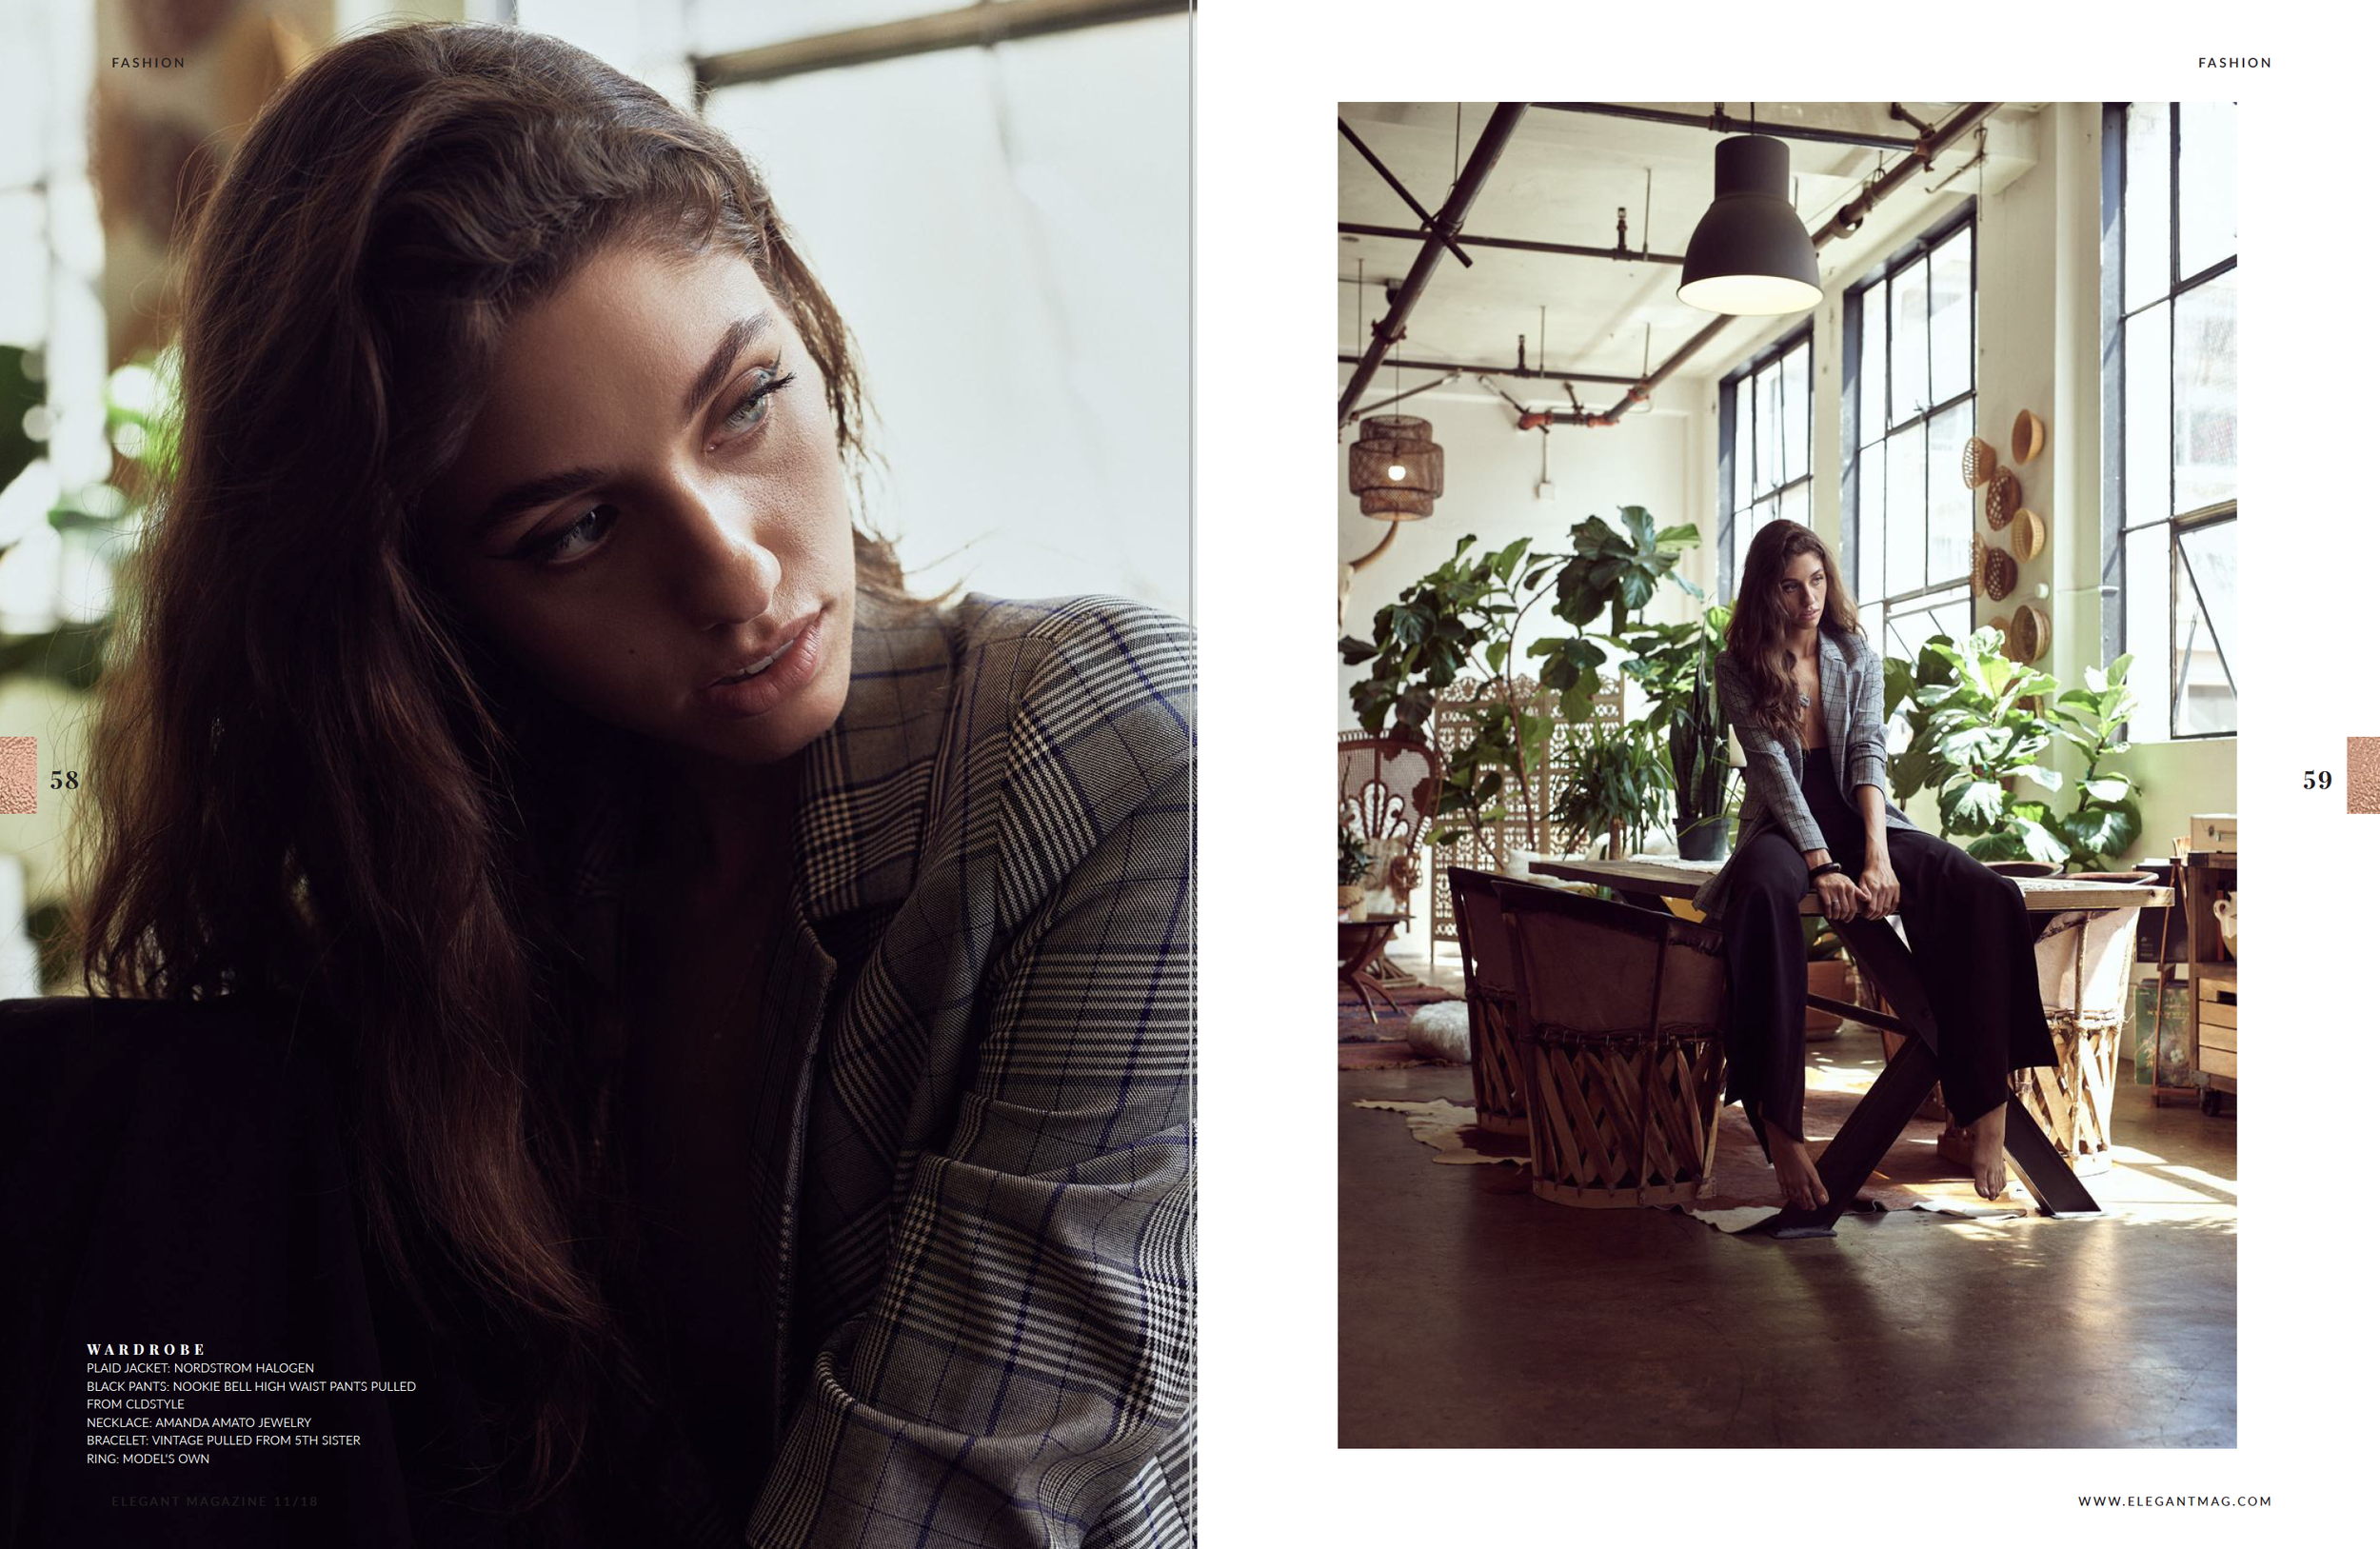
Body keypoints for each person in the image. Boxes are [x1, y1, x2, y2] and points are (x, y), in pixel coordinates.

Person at [62, 22, 1192, 1548]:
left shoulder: (1115, 759)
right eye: (574, 528)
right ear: (418, 610)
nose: (735, 573)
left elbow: (949, 1509)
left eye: (744, 403)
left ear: (801, 319)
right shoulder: (470, 878)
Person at [1688, 521, 2053, 1215]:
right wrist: (1820, 865)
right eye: (1792, 586)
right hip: (1782, 821)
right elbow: (1772, 774)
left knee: (1986, 891)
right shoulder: (1738, 664)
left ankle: (1987, 1099)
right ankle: (1781, 1121)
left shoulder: (1853, 649)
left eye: (1818, 580)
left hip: (1863, 815)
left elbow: (1869, 755)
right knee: (1763, 894)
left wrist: (1879, 855)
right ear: (1766, 592)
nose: (1809, 598)